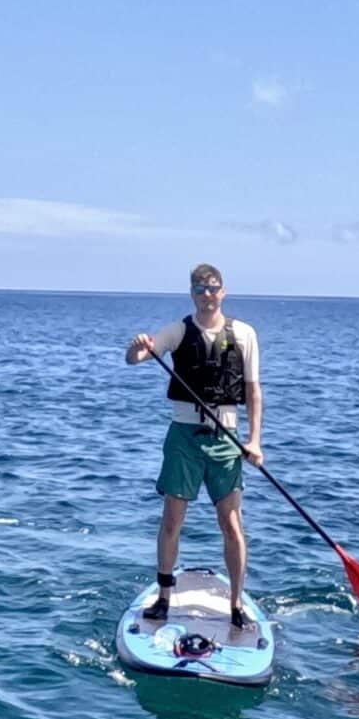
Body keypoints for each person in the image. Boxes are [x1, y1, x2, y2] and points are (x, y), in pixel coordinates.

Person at [124, 262, 263, 631]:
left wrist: (254, 441)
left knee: (231, 522)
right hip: (184, 436)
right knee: (172, 519)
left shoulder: (245, 334)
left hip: (226, 438)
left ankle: (236, 603)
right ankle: (164, 597)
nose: (207, 295)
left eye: (213, 288)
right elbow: (136, 357)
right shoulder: (178, 330)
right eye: (200, 289)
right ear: (192, 293)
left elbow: (253, 392)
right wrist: (138, 348)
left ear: (223, 291)